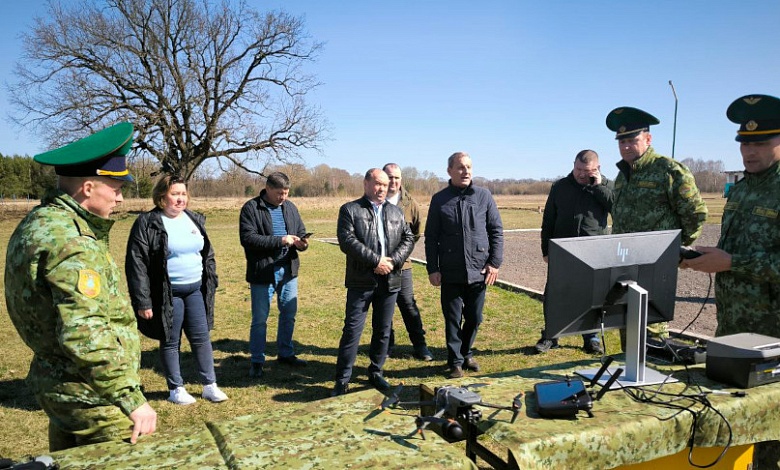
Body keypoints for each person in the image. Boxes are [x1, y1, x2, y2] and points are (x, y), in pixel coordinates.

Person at [4, 122, 157, 450]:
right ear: (88, 187)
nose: (120, 198)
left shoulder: (39, 223)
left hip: (61, 385)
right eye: (115, 188)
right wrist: (130, 398)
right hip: (92, 395)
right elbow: (83, 331)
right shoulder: (73, 241)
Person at [684, 93, 780, 470]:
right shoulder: (740, 188)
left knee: (772, 437)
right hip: (733, 329)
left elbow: (743, 259)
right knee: (735, 431)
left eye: (760, 142)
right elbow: (737, 247)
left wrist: (733, 262)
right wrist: (708, 255)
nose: (749, 151)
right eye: (744, 143)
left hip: (772, 335)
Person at [606, 106, 708, 342]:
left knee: (650, 333)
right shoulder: (623, 177)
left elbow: (696, 214)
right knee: (629, 328)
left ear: (648, 139)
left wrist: (673, 251)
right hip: (625, 264)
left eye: (632, 140)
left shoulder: (669, 170)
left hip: (655, 266)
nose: (626, 146)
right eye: (621, 142)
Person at [126, 175, 228, 405]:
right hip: (167, 293)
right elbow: (137, 264)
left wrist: (211, 278)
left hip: (195, 291)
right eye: (175, 194)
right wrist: (143, 301)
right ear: (162, 196)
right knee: (171, 341)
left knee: (201, 338)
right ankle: (176, 388)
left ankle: (209, 385)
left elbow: (206, 253)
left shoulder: (193, 219)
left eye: (183, 194)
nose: (180, 199)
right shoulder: (148, 222)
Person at [332, 168, 415, 396]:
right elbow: (347, 241)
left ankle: (376, 372)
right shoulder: (350, 210)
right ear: (366, 183)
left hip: (389, 281)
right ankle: (342, 379)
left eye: (386, 185)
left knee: (383, 330)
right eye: (378, 184)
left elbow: (409, 238)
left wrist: (394, 261)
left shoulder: (396, 212)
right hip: (361, 281)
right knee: (352, 330)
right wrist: (376, 261)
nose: (382, 189)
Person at [425, 152, 503, 379]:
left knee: (475, 317)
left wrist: (494, 263)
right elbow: (432, 237)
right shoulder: (440, 199)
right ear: (449, 171)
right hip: (450, 270)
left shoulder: (483, 196)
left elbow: (496, 230)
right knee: (452, 319)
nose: (466, 171)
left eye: (468, 167)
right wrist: (433, 268)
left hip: (479, 270)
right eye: (460, 167)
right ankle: (455, 361)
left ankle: (467, 352)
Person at [535, 150, 613, 354]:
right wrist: (546, 249)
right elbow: (548, 220)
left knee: (591, 295)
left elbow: (616, 207)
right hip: (562, 250)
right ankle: (551, 336)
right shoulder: (560, 187)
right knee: (554, 295)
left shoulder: (606, 187)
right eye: (578, 169)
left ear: (597, 169)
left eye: (586, 171)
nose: (580, 174)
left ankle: (591, 338)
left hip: (593, 251)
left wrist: (598, 188)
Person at [239, 172, 309, 379]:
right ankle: (257, 360)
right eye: (280, 193)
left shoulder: (291, 207)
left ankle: (286, 354)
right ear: (268, 188)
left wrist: (302, 243)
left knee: (289, 314)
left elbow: (301, 230)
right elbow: (248, 239)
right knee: (260, 319)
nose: (283, 197)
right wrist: (280, 241)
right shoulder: (251, 208)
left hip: (289, 271)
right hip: (263, 272)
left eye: (286, 193)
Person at [382, 163, 434, 362]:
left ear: (401, 180)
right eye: (390, 177)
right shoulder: (375, 199)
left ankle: (420, 346)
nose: (393, 181)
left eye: (396, 178)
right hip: (379, 265)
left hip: (403, 266)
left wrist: (400, 255)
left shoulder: (411, 203)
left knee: (408, 305)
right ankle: (386, 345)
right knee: (383, 306)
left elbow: (415, 234)